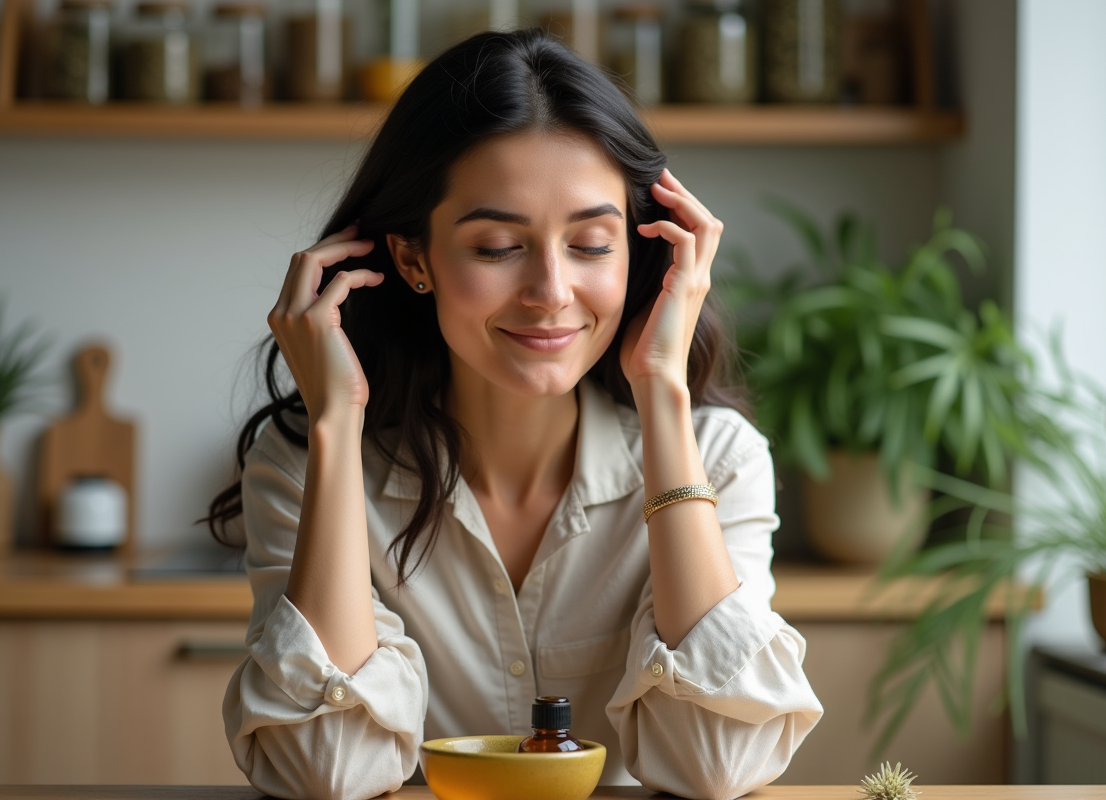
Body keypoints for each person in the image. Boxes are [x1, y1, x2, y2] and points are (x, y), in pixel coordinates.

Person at [206, 27, 823, 800]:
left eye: (593, 244)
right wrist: (336, 423)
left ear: (642, 253)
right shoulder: (304, 463)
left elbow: (716, 763)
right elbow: (326, 770)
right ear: (412, 259)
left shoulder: (719, 458)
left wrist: (663, 390)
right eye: (499, 246)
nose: (552, 291)